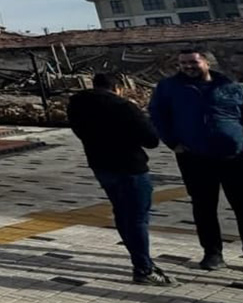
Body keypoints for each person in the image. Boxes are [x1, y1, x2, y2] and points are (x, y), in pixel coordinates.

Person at [67, 73, 172, 285]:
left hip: (101, 165)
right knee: (137, 218)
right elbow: (151, 140)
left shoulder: (76, 104)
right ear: (118, 87)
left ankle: (140, 260)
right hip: (130, 166)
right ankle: (143, 267)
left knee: (122, 213)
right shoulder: (123, 106)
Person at [149, 49, 243, 270]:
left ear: (207, 62)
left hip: (235, 157)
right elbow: (158, 115)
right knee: (204, 207)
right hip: (195, 158)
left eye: (193, 62)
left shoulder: (229, 86)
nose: (187, 67)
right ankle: (212, 253)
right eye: (183, 63)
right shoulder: (169, 88)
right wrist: (172, 143)